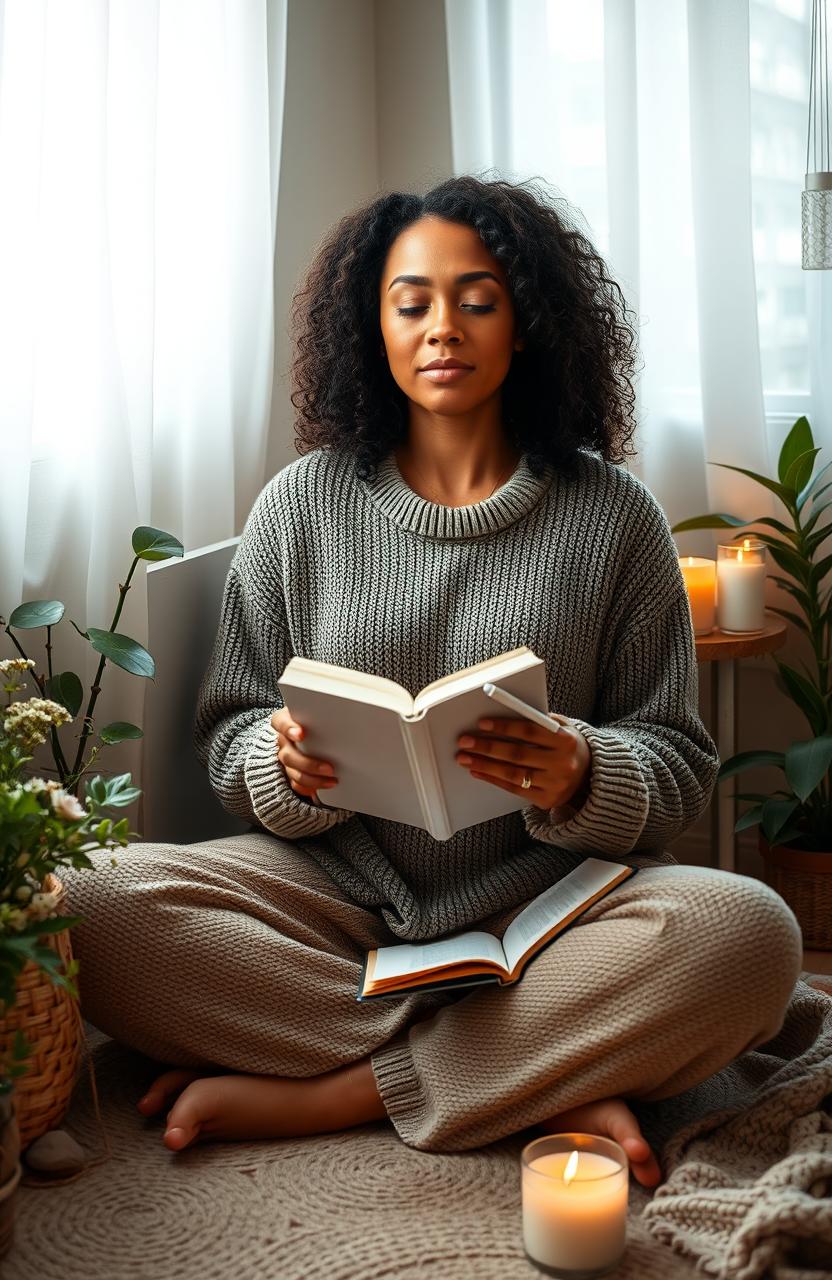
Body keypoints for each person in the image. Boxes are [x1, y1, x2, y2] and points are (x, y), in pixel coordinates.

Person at [61, 175, 803, 1188]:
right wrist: (283, 766)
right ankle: (533, 1065)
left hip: (559, 914)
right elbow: (230, 729)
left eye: (477, 298)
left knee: (748, 935)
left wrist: (581, 768)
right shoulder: (299, 506)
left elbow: (676, 762)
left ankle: (342, 1088)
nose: (442, 327)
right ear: (374, 325)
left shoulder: (615, 515)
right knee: (87, 901)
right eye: (412, 302)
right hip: (343, 902)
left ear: (528, 322)